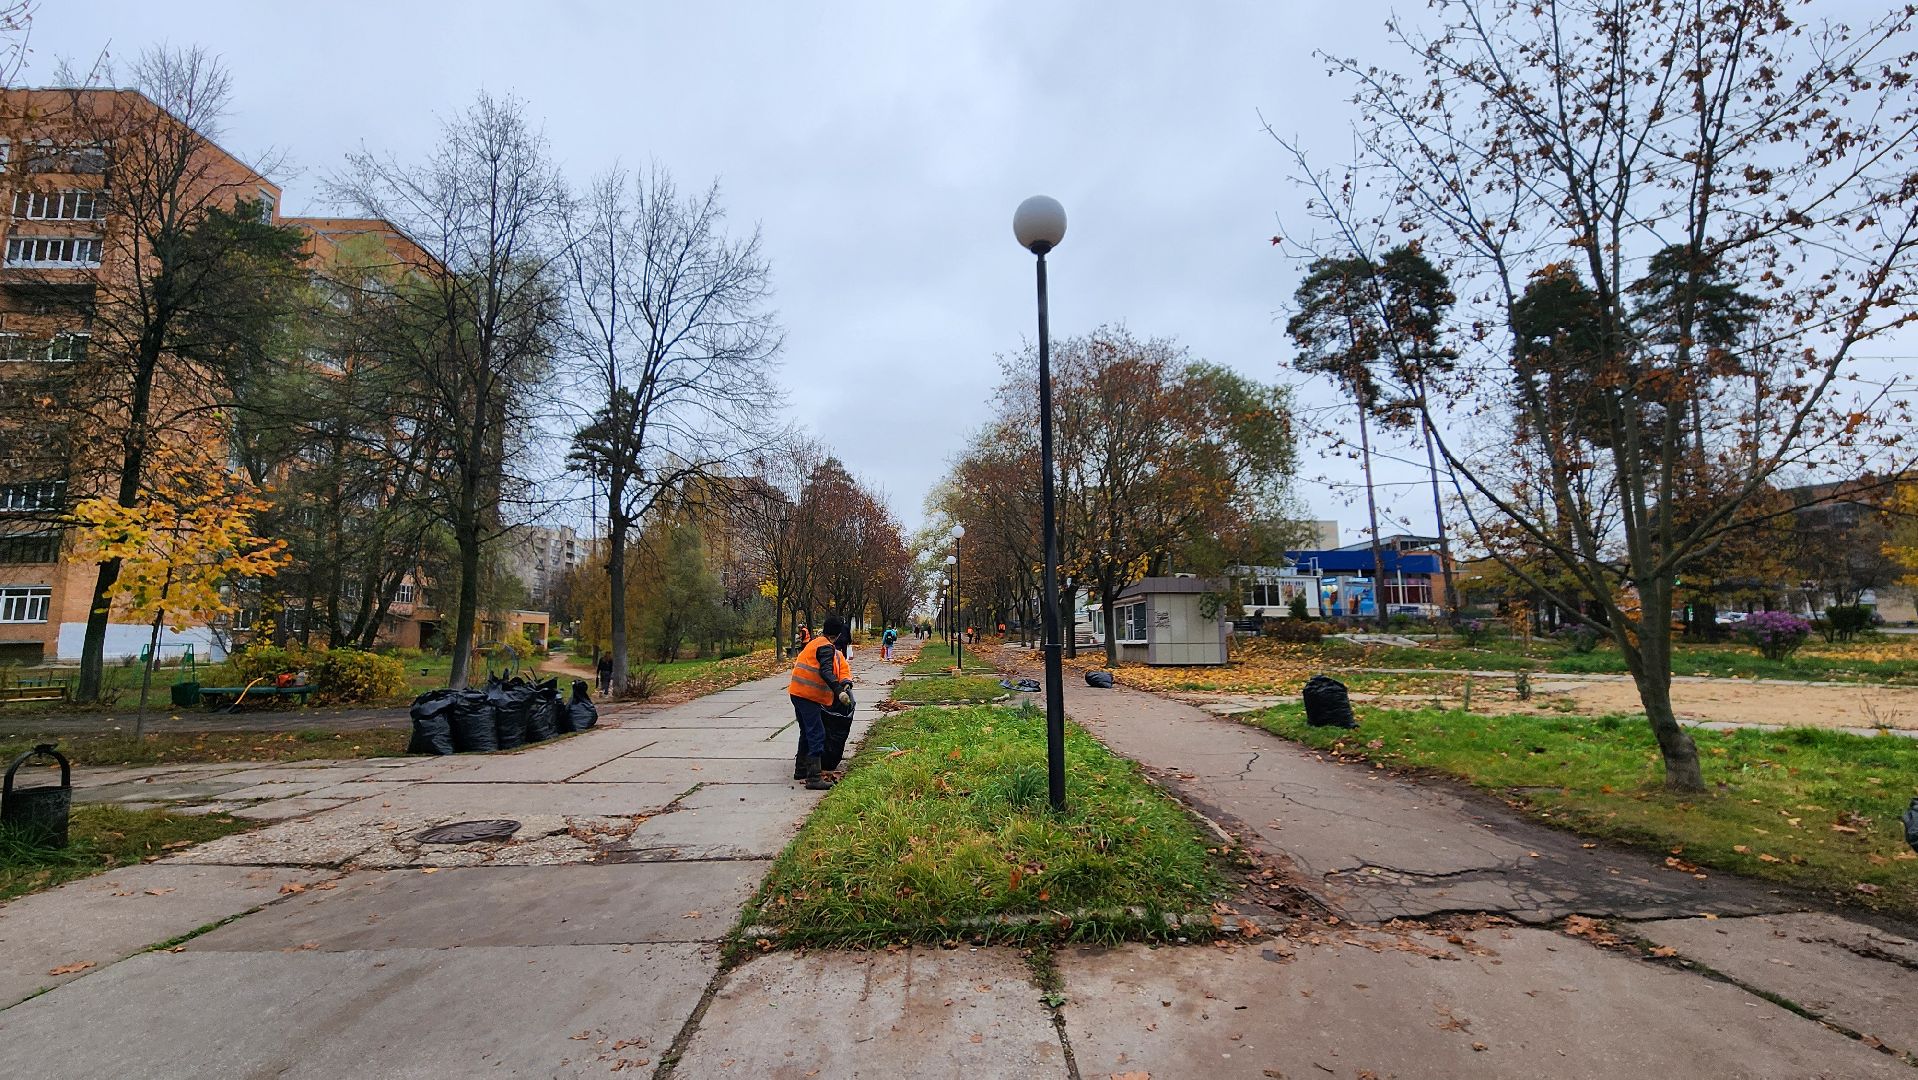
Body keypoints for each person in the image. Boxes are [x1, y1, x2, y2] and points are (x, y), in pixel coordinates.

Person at [789, 616, 852, 790]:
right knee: (817, 733)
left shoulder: (815, 643)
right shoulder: (826, 647)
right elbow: (826, 671)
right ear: (838, 635)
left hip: (797, 692)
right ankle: (814, 778)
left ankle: (801, 769)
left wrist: (845, 683)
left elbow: (840, 669)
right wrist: (838, 691)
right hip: (807, 695)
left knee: (806, 731)